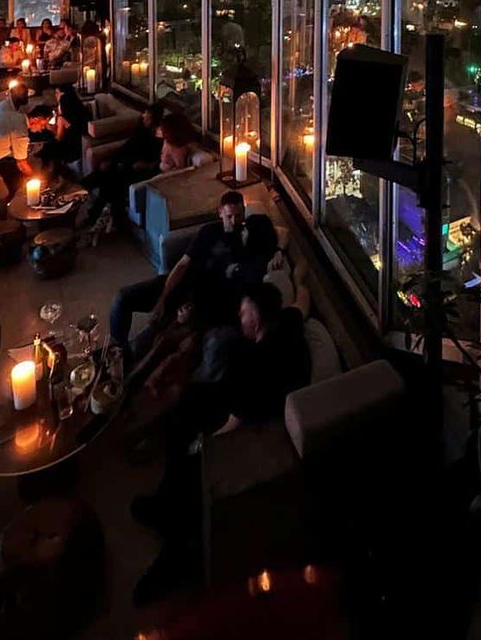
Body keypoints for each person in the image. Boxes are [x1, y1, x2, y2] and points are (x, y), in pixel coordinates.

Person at [129, 279, 311, 607]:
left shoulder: (258, 365)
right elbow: (303, 299)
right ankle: (163, 500)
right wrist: (299, 272)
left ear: (256, 317)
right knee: (184, 403)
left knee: (188, 465)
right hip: (245, 407)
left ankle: (176, 559)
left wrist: (200, 448)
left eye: (243, 312)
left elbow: (233, 425)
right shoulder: (287, 323)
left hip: (260, 431)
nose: (239, 318)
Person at [110, 192, 277, 367]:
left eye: (238, 216)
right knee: (122, 298)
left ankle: (120, 364)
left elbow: (272, 239)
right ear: (220, 212)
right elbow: (182, 265)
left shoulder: (247, 241)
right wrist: (163, 298)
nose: (233, 221)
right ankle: (116, 350)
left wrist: (278, 250)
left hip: (201, 300)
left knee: (142, 345)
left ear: (244, 213)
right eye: (229, 216)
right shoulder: (209, 231)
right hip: (180, 283)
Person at [82, 102, 166, 231]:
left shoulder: (161, 139)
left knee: (109, 182)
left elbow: (158, 162)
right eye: (144, 116)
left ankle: (91, 211)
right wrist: (111, 159)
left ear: (155, 121)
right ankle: (85, 200)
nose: (144, 119)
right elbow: (127, 147)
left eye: (147, 118)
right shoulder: (142, 130)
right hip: (124, 165)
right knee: (106, 178)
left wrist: (146, 165)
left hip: (138, 172)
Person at [37, 84, 90, 173]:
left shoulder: (63, 118)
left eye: (58, 93)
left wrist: (50, 128)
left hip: (72, 149)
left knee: (49, 146)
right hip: (80, 144)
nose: (55, 95)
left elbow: (58, 138)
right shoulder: (80, 110)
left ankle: (48, 172)